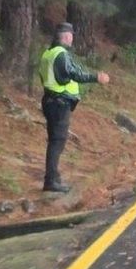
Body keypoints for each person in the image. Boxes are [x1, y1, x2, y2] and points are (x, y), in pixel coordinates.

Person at [38, 23, 110, 193]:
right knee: (57, 142)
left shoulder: (48, 53)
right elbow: (73, 73)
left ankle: (53, 179)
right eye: (71, 36)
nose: (72, 39)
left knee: (54, 141)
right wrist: (96, 77)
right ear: (67, 36)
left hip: (50, 100)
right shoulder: (61, 54)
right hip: (59, 103)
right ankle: (51, 181)